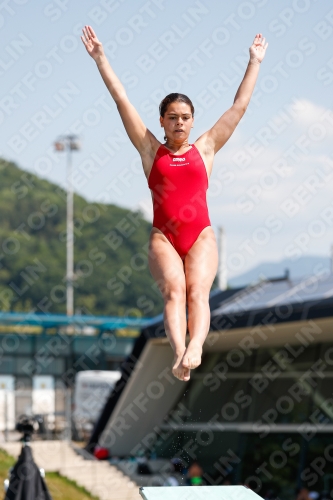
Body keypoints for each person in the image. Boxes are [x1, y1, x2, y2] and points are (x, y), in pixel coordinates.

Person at [81, 26, 268, 382]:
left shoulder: (206, 147)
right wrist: (101, 58)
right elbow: (122, 100)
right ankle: (180, 352)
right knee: (173, 292)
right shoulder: (151, 150)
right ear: (162, 121)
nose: (179, 122)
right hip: (164, 237)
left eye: (185, 117)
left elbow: (239, 107)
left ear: (192, 120)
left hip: (200, 235)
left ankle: (195, 346)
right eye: (172, 117)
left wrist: (254, 62)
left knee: (198, 291)